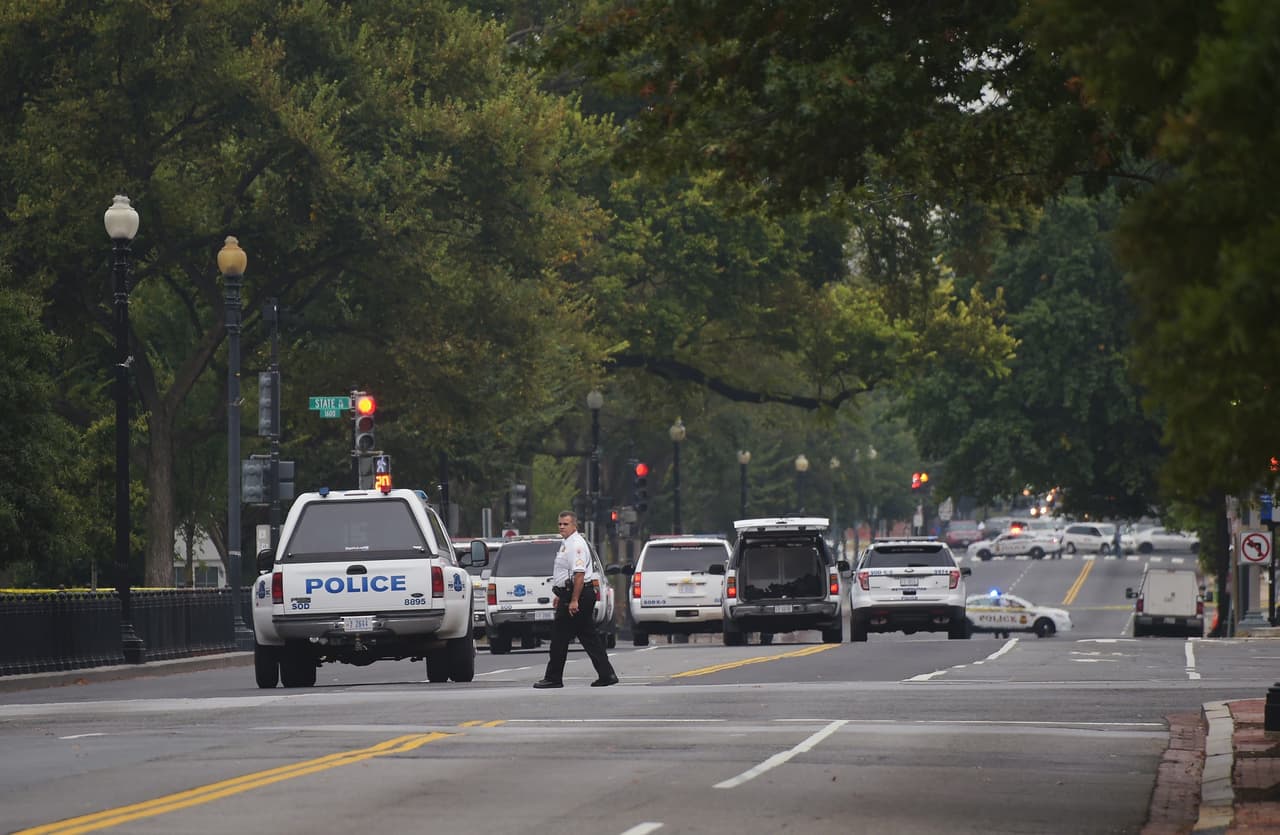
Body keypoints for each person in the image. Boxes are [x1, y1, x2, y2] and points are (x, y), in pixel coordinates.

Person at [533, 511, 619, 688]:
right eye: (560, 524)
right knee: (589, 637)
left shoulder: (576, 545)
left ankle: (553, 678)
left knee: (559, 638)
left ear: (574, 525)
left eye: (566, 524)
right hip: (572, 594)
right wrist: (561, 595)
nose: (562, 527)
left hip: (579, 594)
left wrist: (573, 600)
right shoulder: (567, 543)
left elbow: (579, 575)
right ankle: (607, 674)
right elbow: (568, 573)